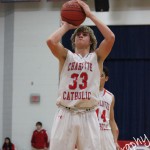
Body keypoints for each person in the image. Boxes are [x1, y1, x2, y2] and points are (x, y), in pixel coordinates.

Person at [46, 0, 115, 149]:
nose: (80, 36)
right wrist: (66, 26)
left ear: (91, 41)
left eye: (84, 34)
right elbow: (51, 41)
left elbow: (110, 38)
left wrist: (90, 15)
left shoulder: (96, 57)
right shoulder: (66, 56)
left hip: (88, 114)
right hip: (66, 113)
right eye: (78, 34)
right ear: (73, 40)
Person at [96, 66, 120, 150]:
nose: (98, 78)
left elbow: (112, 120)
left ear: (106, 78)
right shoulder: (87, 95)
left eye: (101, 75)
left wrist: (115, 141)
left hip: (106, 132)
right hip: (92, 131)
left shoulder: (110, 96)